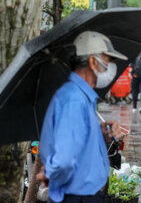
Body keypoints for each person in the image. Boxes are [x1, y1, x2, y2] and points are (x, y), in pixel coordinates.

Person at [36, 31, 124, 203]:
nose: (111, 66)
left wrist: (101, 135)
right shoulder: (73, 100)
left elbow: (76, 143)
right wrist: (51, 174)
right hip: (77, 197)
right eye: (108, 61)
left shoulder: (82, 96)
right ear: (92, 61)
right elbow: (64, 160)